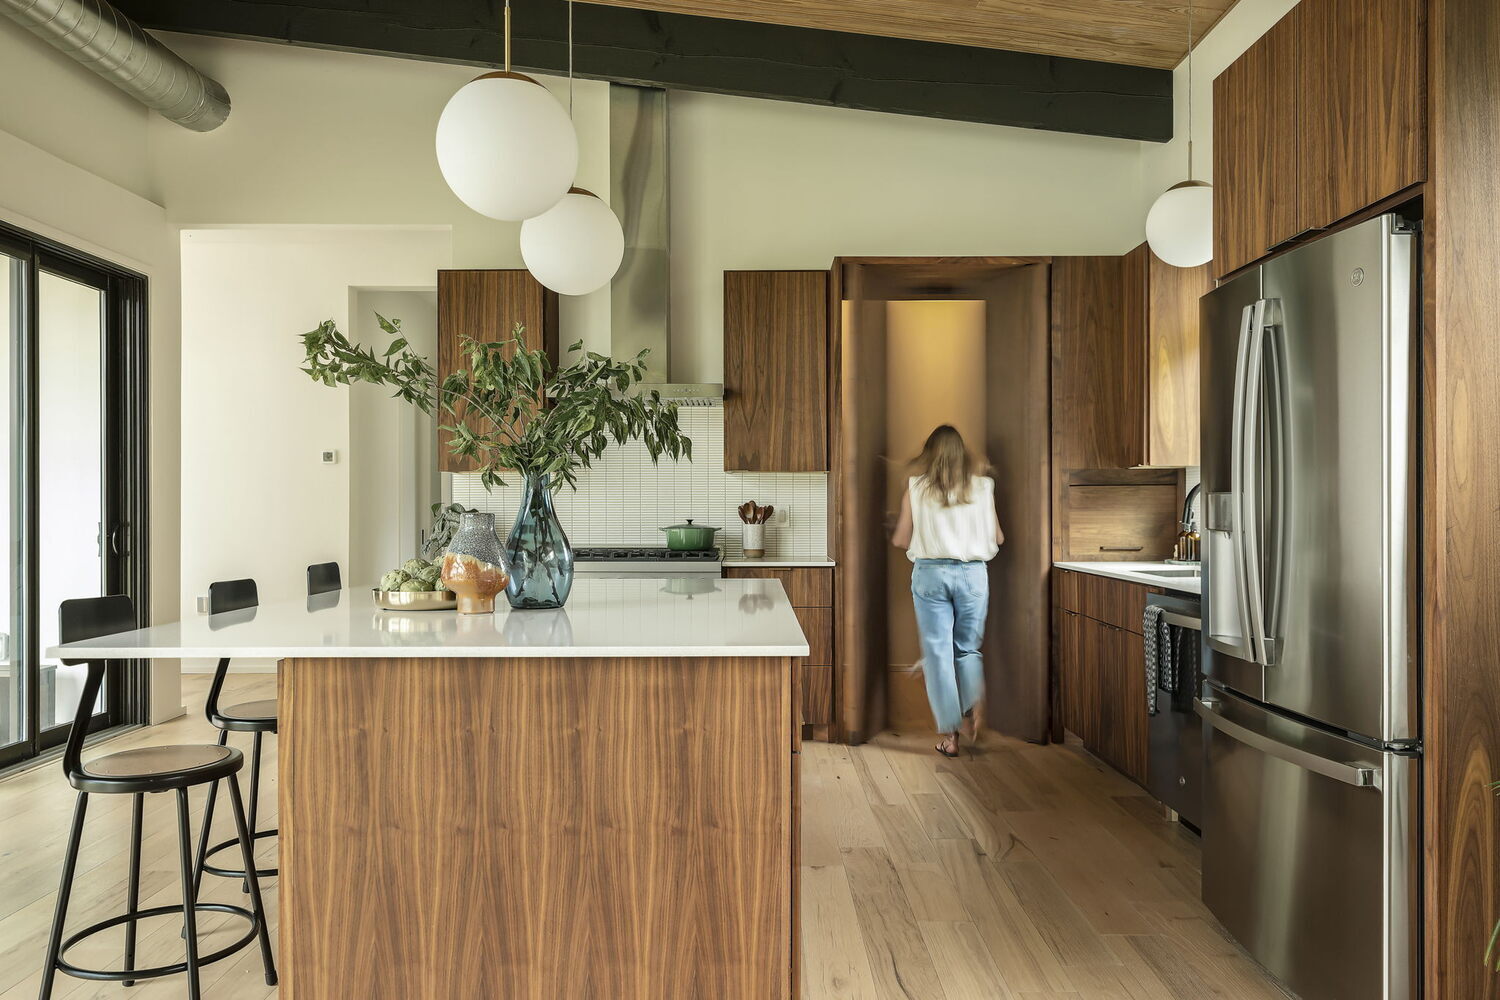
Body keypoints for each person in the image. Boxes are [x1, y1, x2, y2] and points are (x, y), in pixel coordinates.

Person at [890, 425, 1005, 758]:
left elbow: (900, 539)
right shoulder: (983, 487)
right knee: (968, 649)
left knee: (938, 655)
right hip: (973, 575)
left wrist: (924, 532)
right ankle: (973, 706)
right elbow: (998, 537)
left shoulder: (916, 488)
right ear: (962, 454)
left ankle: (950, 737)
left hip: (930, 575)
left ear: (930, 454)